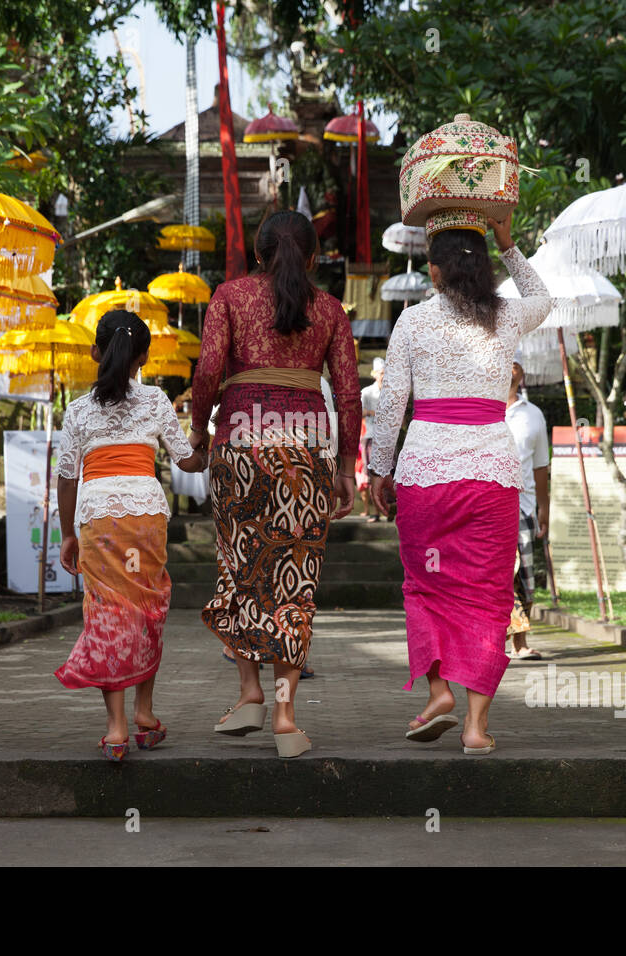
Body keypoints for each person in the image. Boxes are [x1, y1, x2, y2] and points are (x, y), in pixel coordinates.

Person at [370, 211, 551, 755]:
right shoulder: (507, 317)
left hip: (426, 472)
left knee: (426, 585)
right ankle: (475, 726)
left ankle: (437, 691)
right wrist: (508, 244)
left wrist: (380, 469)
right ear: (484, 268)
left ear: (435, 271)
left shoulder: (412, 322)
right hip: (492, 475)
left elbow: (391, 404)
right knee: (488, 596)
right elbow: (545, 300)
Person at [190, 210, 361, 758]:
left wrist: (198, 432)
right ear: (313, 257)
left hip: (239, 449)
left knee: (241, 570)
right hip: (306, 457)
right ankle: (286, 717)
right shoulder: (330, 309)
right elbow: (351, 396)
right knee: (293, 585)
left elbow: (207, 370)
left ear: (257, 253)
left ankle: (249, 694)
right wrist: (344, 466)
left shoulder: (230, 297)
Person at [55, 310, 207, 762]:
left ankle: (116, 728)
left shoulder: (78, 410)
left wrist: (67, 536)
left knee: (107, 612)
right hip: (146, 516)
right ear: (143, 356)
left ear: (95, 352)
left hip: (98, 516)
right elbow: (187, 463)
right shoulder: (157, 401)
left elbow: (66, 478)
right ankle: (145, 714)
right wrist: (209, 439)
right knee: (146, 608)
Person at [505, 355, 551, 660]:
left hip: (522, 507)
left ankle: (519, 643)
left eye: (515, 362)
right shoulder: (479, 410)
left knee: (525, 578)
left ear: (521, 371)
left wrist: (544, 508)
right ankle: (496, 643)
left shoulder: (533, 415)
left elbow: (540, 467)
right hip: (484, 506)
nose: (508, 366)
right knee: (495, 578)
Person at [358, 357, 385, 521]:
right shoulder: (367, 392)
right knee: (373, 476)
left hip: (388, 437)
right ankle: (375, 512)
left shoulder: (391, 391)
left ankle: (388, 509)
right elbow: (358, 412)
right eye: (381, 373)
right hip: (371, 436)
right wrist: (373, 413)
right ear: (375, 374)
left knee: (389, 474)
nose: (383, 376)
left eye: (385, 373)